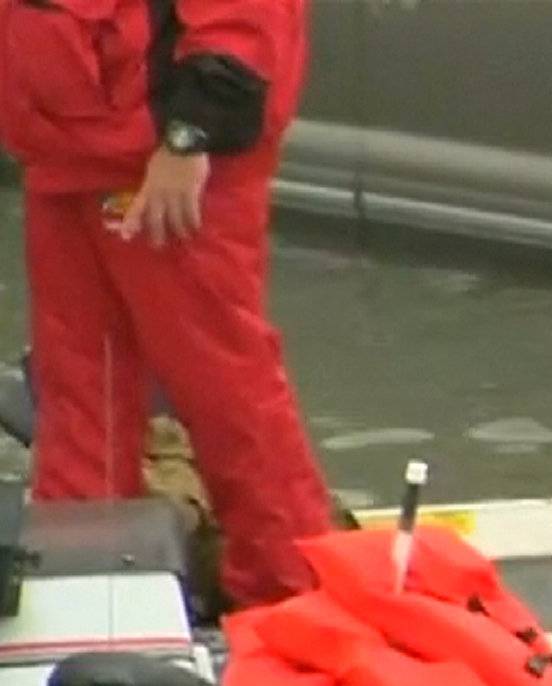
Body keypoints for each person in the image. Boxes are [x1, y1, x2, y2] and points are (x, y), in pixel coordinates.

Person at [0, 0, 337, 608]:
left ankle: (290, 591)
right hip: (65, 155)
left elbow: (245, 22)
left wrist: (189, 140)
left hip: (164, 164)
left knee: (223, 386)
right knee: (78, 388)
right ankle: (83, 586)